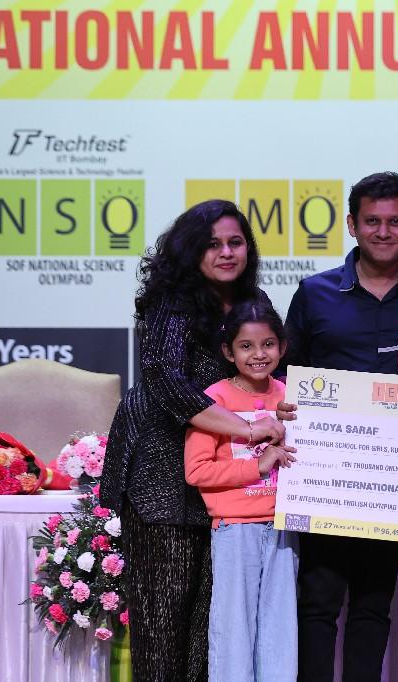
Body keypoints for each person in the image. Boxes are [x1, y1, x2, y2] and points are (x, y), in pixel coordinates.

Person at [278, 171, 398, 682]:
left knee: (373, 605)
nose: (384, 232)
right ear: (352, 225)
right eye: (372, 221)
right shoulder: (314, 293)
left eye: (395, 222)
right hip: (325, 473)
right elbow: (284, 376)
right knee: (317, 602)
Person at [100, 200, 284, 680]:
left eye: (235, 242)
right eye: (212, 244)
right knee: (164, 617)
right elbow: (167, 381)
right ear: (191, 251)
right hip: (162, 476)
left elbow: (270, 376)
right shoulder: (172, 303)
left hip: (228, 482)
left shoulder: (253, 301)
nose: (226, 252)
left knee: (213, 624)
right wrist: (247, 429)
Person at [184, 300, 300, 681]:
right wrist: (257, 465)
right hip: (235, 528)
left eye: (268, 344)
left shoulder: (291, 394)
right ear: (228, 352)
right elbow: (197, 471)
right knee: (234, 628)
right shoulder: (214, 400)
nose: (258, 354)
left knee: (280, 629)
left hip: (284, 526)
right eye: (246, 346)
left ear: (282, 347)